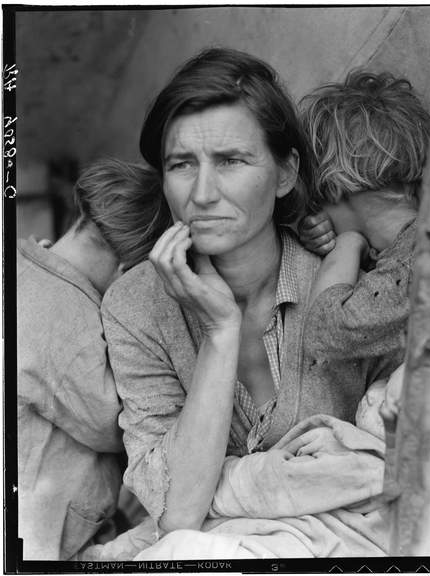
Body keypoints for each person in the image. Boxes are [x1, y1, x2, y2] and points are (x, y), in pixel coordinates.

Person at [101, 49, 404, 546]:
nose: (202, 194)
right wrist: (220, 334)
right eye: (181, 164)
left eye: (230, 161)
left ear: (285, 173)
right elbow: (177, 510)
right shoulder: (135, 306)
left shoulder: (347, 286)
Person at [17, 158, 163, 560]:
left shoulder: (24, 265)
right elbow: (119, 425)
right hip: (37, 543)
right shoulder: (69, 325)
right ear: (128, 271)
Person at [297, 70, 430, 361]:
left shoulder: (415, 267)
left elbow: (323, 334)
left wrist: (347, 243)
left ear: (331, 187)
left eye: (313, 202)